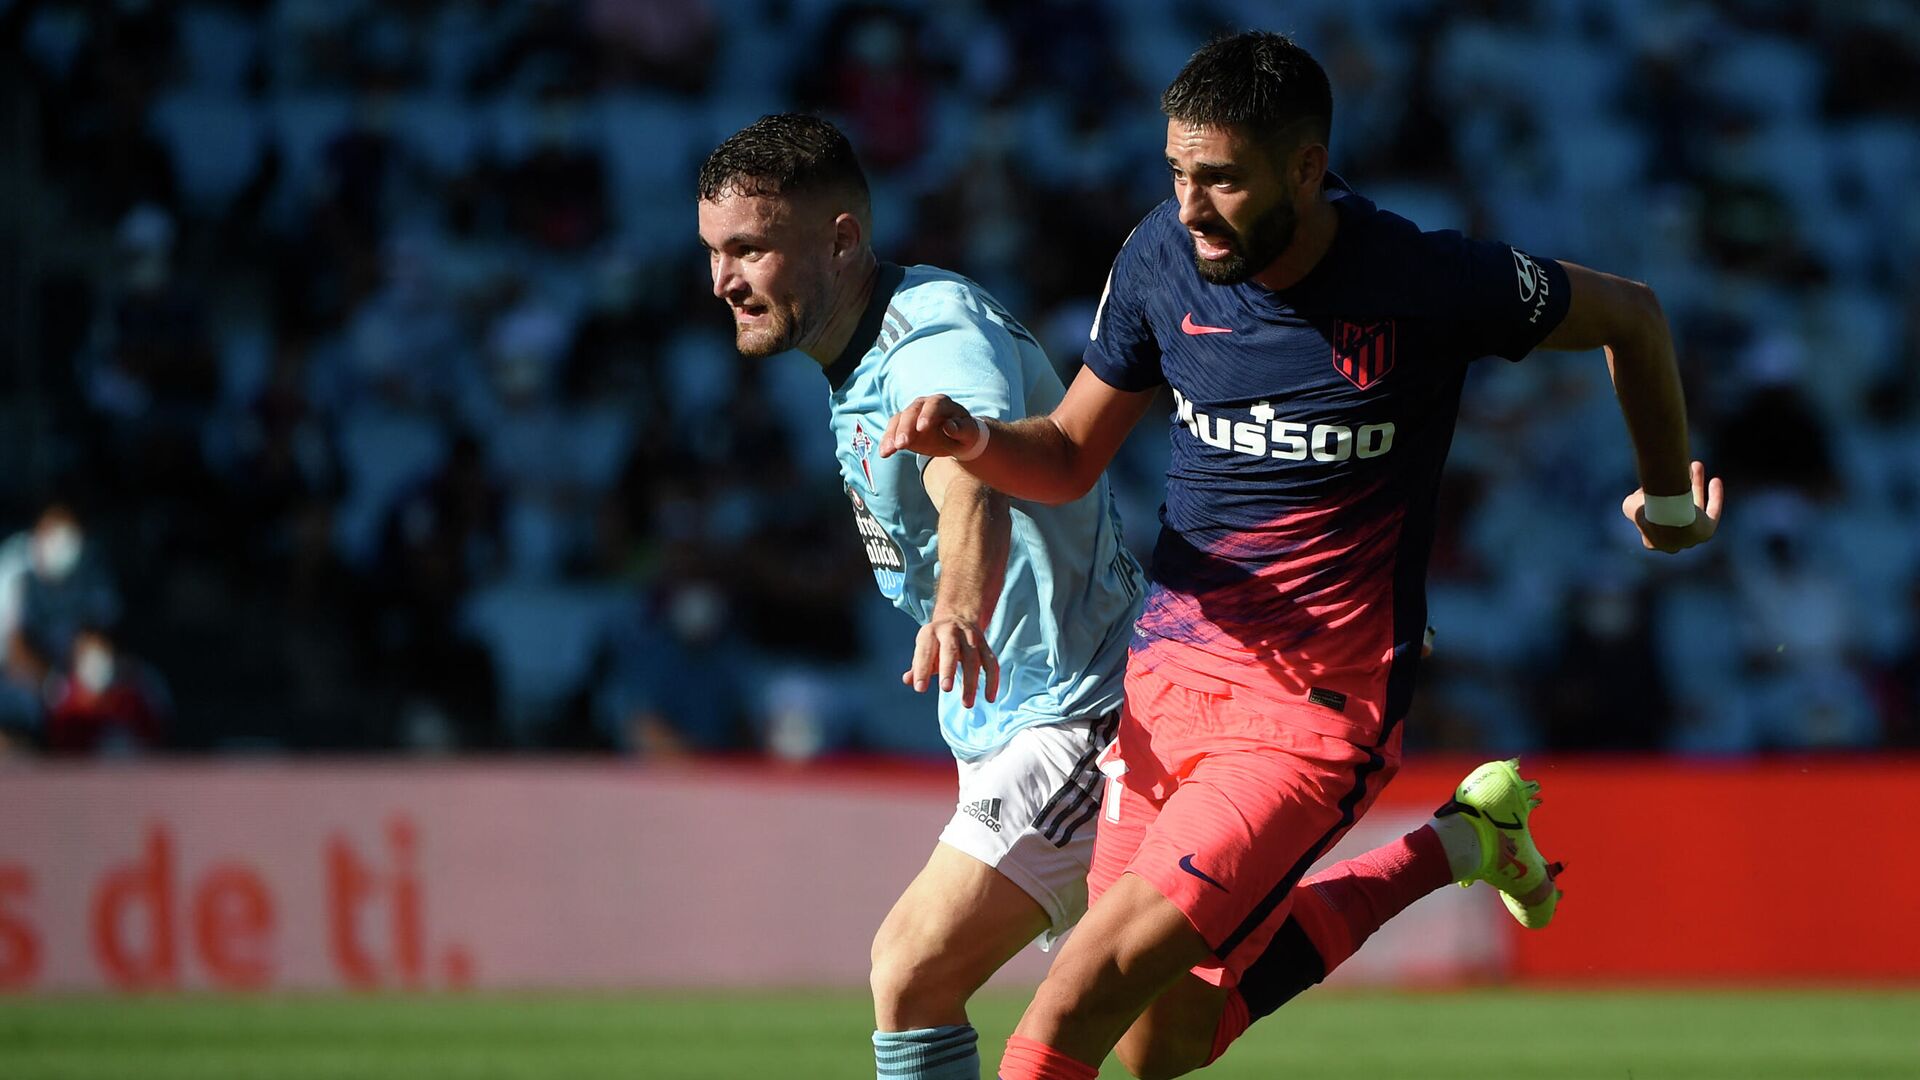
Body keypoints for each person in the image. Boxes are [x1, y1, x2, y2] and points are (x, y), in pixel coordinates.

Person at [881, 32, 1724, 1080]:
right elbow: (1062, 457)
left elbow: (1632, 316)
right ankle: (1456, 847)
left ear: (1307, 168)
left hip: (1315, 716)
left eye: (1221, 180)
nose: (1191, 207)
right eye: (1178, 174)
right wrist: (976, 442)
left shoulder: (1422, 279)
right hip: (1165, 689)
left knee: (1075, 994)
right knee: (1162, 1045)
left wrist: (1670, 497)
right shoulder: (1157, 257)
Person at [701, 114, 1576, 1080]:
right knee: (1169, 1041)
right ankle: (1456, 847)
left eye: (750, 249)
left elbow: (971, 476)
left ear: (839, 237)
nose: (723, 281)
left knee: (912, 972)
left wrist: (957, 600)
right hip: (1008, 716)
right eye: (714, 252)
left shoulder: (930, 341)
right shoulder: (861, 353)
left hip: (1084, 711)